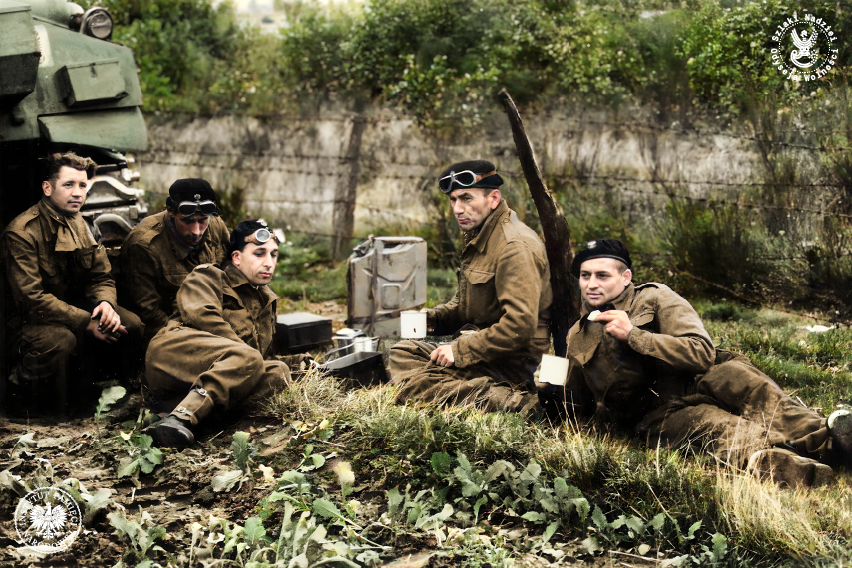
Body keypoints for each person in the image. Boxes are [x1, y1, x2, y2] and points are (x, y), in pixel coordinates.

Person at [560, 238, 852, 487]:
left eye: (602, 275)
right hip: (657, 414)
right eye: (585, 276)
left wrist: (634, 336)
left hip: (698, 376)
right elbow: (574, 398)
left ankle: (832, 440)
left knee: (751, 389)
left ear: (625, 277)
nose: (591, 284)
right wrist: (549, 392)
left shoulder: (654, 298)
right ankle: (785, 464)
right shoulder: (577, 334)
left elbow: (700, 353)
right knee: (716, 426)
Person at [388, 160, 552, 413]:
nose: (457, 209)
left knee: (415, 380)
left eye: (466, 198)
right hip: (484, 352)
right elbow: (465, 306)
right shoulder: (482, 234)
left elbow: (520, 326)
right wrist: (428, 320)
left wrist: (459, 350)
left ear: (493, 198)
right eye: (453, 200)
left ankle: (514, 403)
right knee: (403, 352)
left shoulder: (514, 246)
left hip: (512, 364)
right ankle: (464, 392)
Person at [2, 152, 143, 412]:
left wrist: (105, 305)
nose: (78, 193)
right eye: (69, 184)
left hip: (72, 308)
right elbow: (31, 298)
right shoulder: (21, 233)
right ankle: (22, 396)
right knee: (60, 341)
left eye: (82, 185)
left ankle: (107, 388)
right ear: (47, 188)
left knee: (129, 324)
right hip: (27, 321)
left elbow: (101, 276)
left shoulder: (82, 223)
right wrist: (85, 321)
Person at [143, 220, 290, 449]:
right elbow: (202, 316)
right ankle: (181, 418)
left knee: (278, 372)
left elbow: (261, 358)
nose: (269, 263)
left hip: (211, 375)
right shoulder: (209, 276)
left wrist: (303, 364)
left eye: (273, 255)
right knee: (249, 358)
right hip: (174, 356)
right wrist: (247, 356)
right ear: (236, 258)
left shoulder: (265, 301)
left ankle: (189, 422)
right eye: (259, 254)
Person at [119, 178, 230, 346]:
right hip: (165, 328)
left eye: (202, 220)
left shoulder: (216, 226)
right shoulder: (144, 245)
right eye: (187, 221)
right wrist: (198, 342)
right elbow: (150, 315)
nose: (196, 231)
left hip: (206, 316)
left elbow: (229, 273)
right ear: (171, 212)